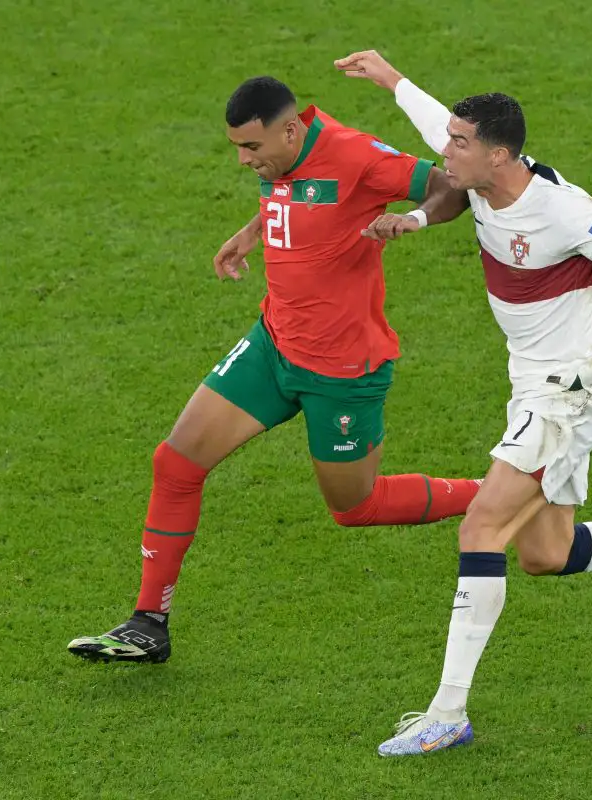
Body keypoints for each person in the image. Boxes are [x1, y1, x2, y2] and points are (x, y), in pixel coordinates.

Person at [334, 50, 592, 756]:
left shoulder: (563, 212)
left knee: (481, 528)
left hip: (569, 390)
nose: (445, 153)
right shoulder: (481, 173)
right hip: (534, 383)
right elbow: (438, 127)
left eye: (460, 145)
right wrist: (391, 78)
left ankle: (447, 712)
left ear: (498, 155)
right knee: (545, 553)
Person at [68, 76, 485, 665]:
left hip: (342, 369)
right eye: (236, 147)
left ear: (291, 129)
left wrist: (413, 219)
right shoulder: (281, 162)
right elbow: (297, 197)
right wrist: (253, 230)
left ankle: (501, 493)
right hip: (274, 344)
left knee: (355, 507)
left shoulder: (356, 156)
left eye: (252, 148)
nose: (243, 160)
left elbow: (450, 187)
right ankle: (148, 622)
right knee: (177, 462)